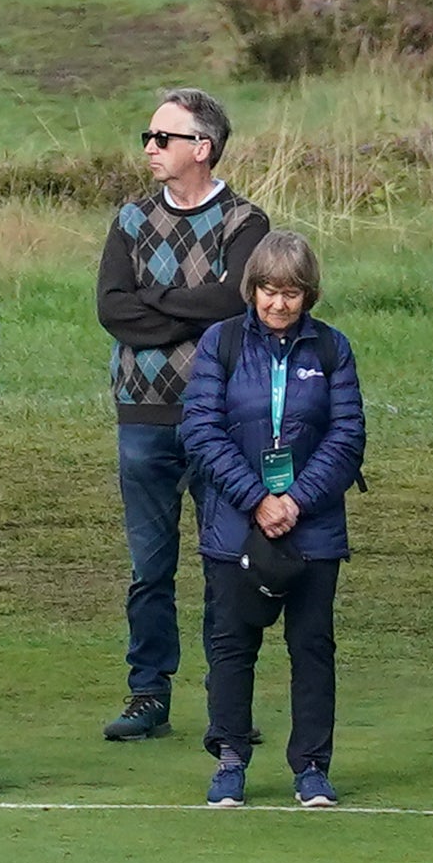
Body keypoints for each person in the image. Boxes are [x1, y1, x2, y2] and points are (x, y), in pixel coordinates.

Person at [94, 90, 269, 745]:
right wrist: (189, 310)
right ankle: (148, 693)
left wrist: (157, 302)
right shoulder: (131, 219)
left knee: (226, 560)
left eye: (163, 137)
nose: (149, 146)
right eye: (149, 135)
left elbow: (235, 301)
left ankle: (227, 704)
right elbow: (114, 308)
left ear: (203, 147)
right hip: (142, 415)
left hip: (219, 418)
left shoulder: (245, 221)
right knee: (150, 564)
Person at [176, 234, 363, 807]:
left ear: (309, 294)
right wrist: (257, 498)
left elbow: (347, 435)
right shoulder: (221, 343)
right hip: (235, 523)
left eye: (291, 293)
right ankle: (230, 760)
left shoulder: (332, 349)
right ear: (251, 288)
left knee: (312, 646)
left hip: (313, 526)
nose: (278, 304)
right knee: (232, 645)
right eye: (268, 290)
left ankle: (311, 767)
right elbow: (201, 429)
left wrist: (296, 500)